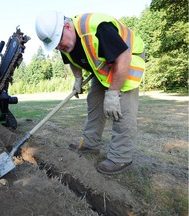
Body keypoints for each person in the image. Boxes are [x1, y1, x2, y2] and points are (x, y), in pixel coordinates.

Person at [35, 11, 145, 174]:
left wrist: (113, 93)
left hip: (127, 59)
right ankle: (90, 144)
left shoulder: (98, 27)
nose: (58, 47)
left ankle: (120, 158)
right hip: (104, 66)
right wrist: (77, 78)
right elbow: (71, 60)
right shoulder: (64, 42)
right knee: (94, 100)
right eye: (55, 46)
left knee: (122, 109)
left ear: (67, 26)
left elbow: (123, 57)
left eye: (58, 42)